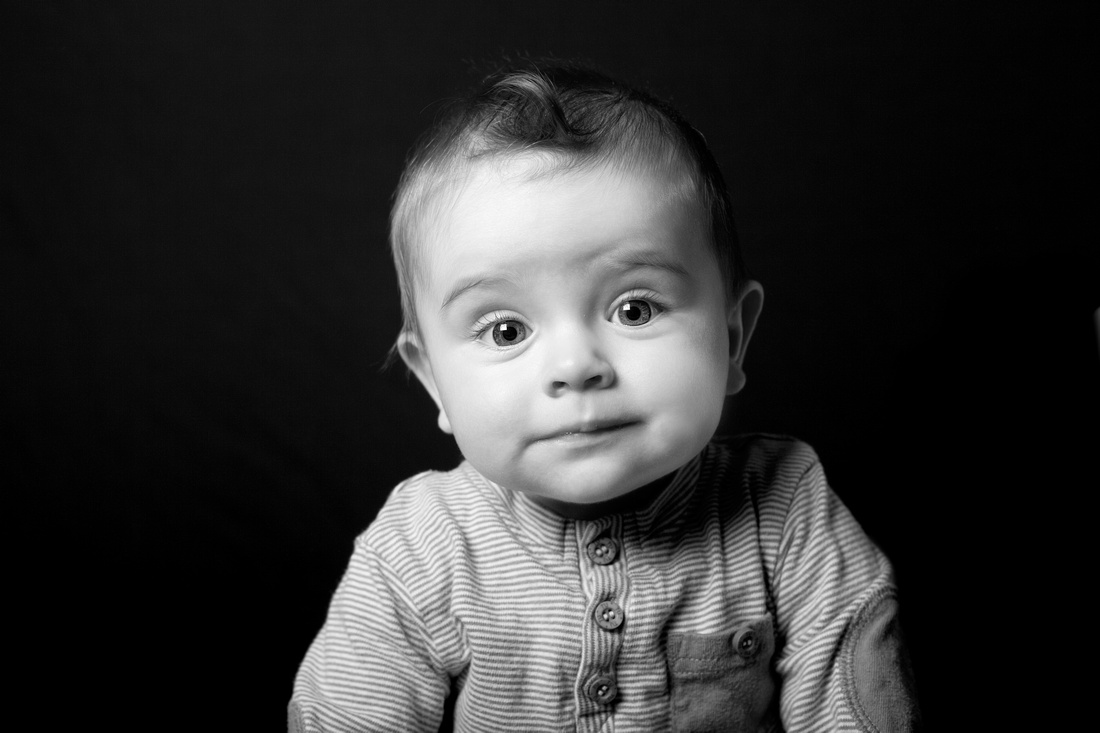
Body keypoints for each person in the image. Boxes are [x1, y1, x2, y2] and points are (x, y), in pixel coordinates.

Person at [290, 62, 919, 732]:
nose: (576, 366)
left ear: (732, 338)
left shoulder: (786, 509)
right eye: (506, 329)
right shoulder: (423, 544)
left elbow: (858, 710)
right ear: (434, 380)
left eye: (636, 309)